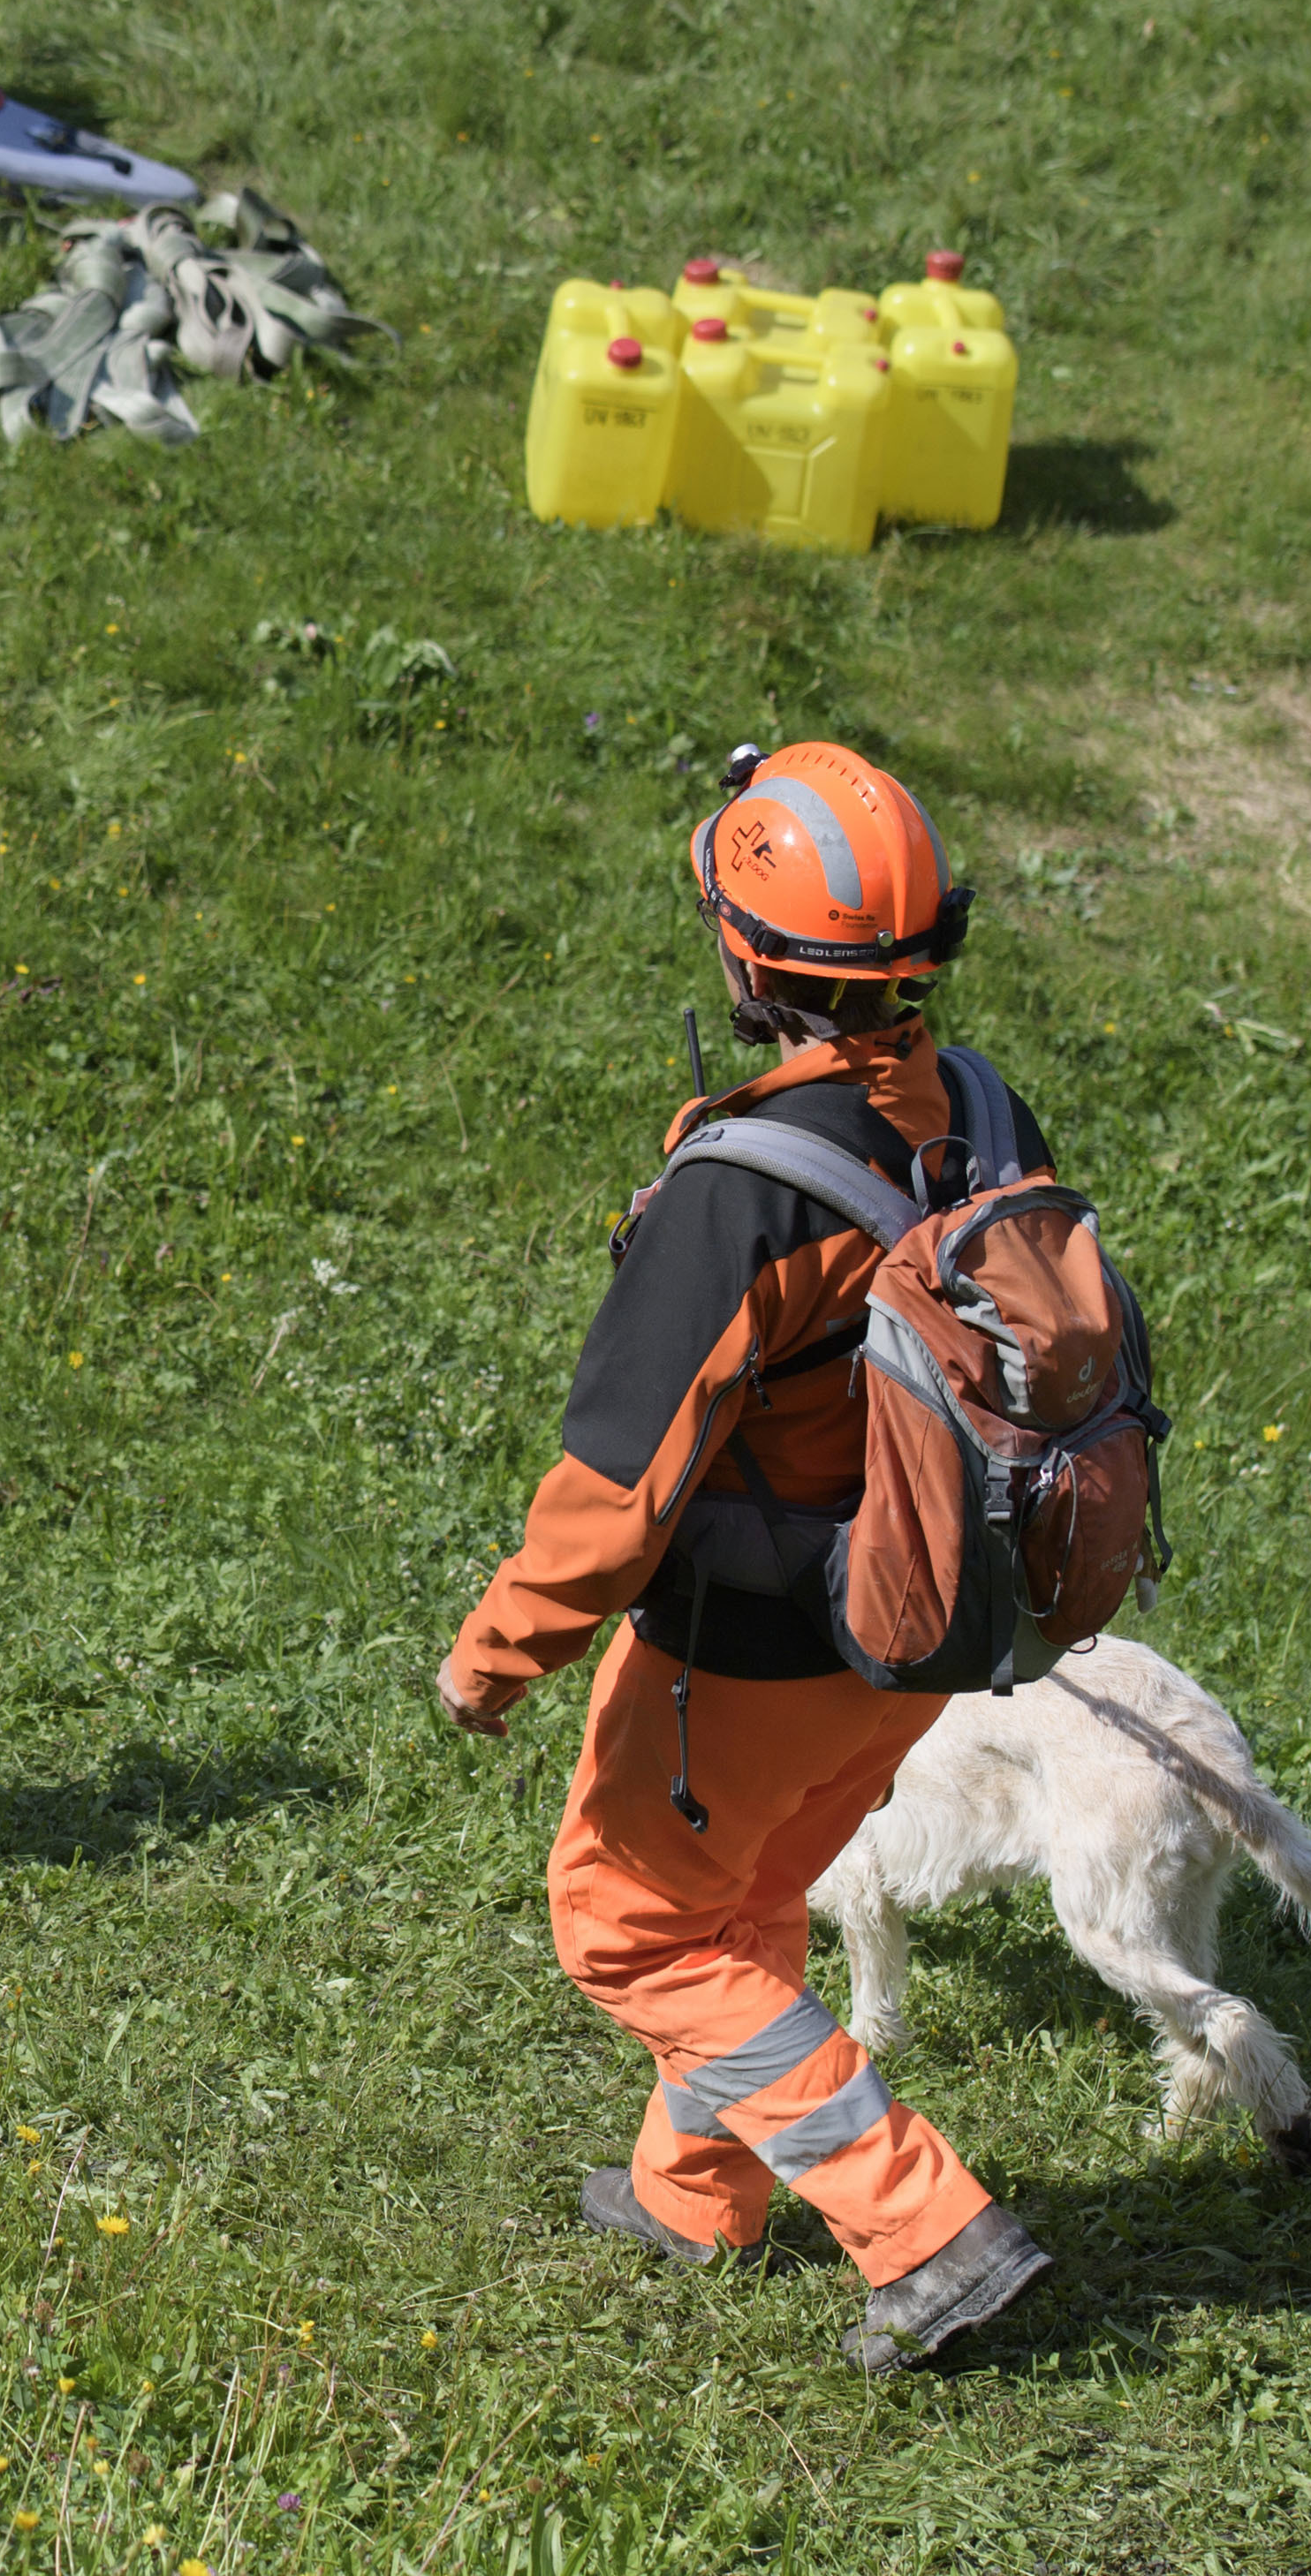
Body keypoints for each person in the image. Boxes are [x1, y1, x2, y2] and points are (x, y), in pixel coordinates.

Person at [435, 740, 1057, 2376]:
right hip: (925, 1624)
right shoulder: (982, 1108)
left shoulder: (745, 1196)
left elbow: (616, 1491)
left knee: (631, 1926)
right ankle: (694, 2198)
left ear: (746, 955)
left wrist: (495, 1655)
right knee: (750, 1895)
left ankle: (927, 2230)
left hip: (754, 1652)